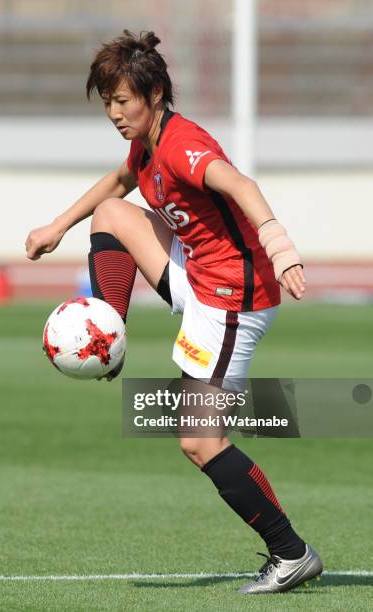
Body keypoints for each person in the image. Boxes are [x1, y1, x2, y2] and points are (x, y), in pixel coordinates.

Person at [25, 30, 322, 594]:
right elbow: (118, 180)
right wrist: (57, 227)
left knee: (199, 440)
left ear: (155, 93)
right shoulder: (145, 142)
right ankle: (108, 338)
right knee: (112, 212)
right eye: (107, 102)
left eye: (122, 101)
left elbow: (239, 182)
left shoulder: (183, 143)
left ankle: (291, 553)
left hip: (231, 299)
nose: (114, 113)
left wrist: (280, 246)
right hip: (196, 272)